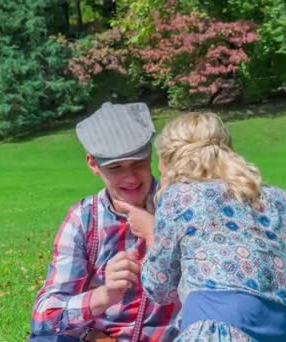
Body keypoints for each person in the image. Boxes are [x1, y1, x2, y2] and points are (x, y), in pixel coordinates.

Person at [138, 112, 286, 341]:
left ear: (171, 161)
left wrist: (151, 233)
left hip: (213, 333)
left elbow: (159, 288)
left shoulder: (181, 196)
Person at [29, 102, 180, 342]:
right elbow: (44, 317)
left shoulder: (180, 206)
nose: (130, 177)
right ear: (93, 164)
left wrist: (155, 235)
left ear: (151, 155)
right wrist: (105, 295)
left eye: (138, 163)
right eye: (116, 168)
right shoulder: (84, 219)